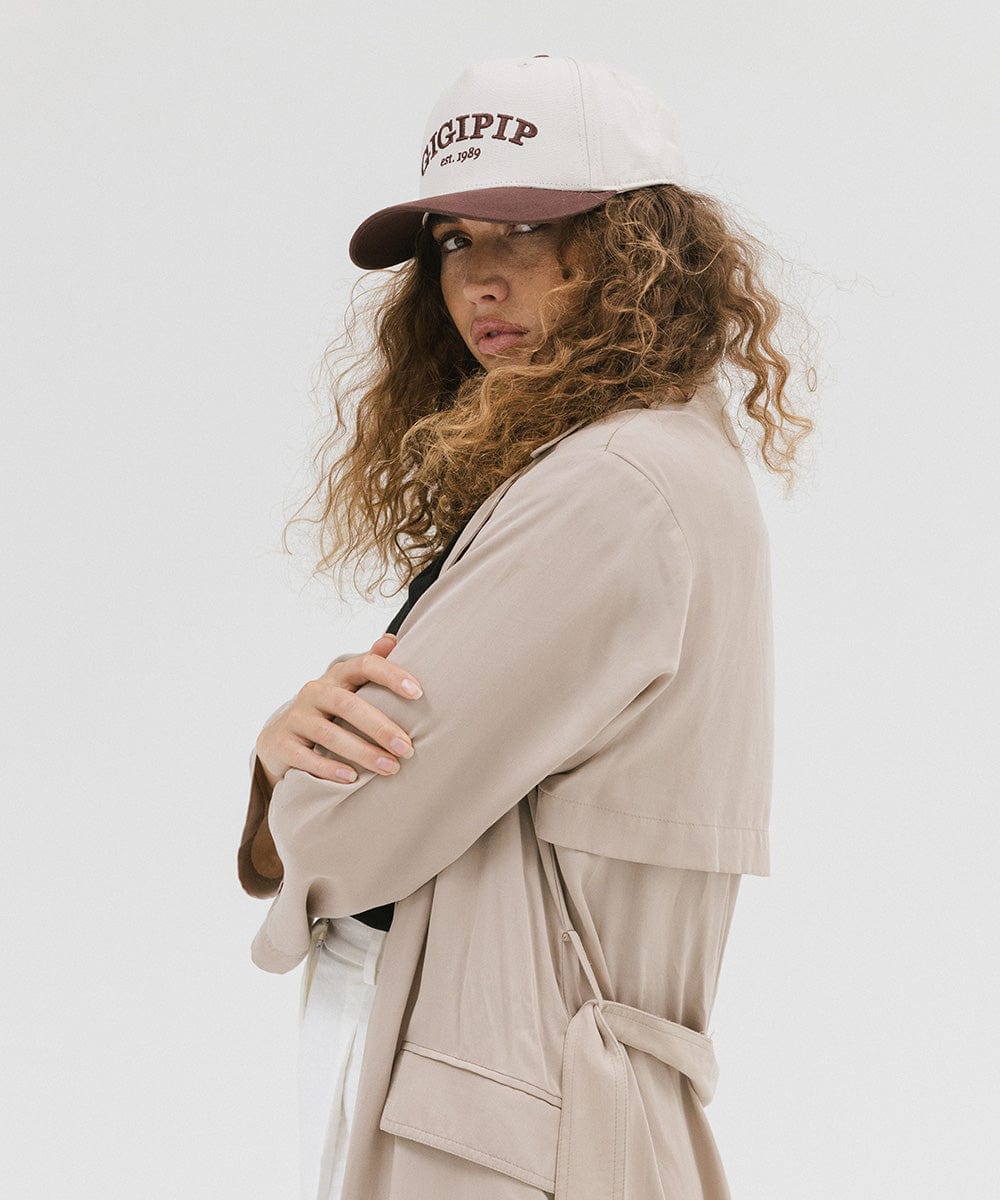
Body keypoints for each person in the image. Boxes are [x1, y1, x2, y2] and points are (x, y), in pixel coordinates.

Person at [238, 54, 813, 1200]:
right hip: (519, 1088)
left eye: (527, 227)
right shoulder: (645, 462)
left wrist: (284, 784)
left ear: (639, 243)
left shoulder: (613, 488)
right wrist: (287, 760)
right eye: (454, 240)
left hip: (504, 1110)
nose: (481, 280)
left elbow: (352, 828)